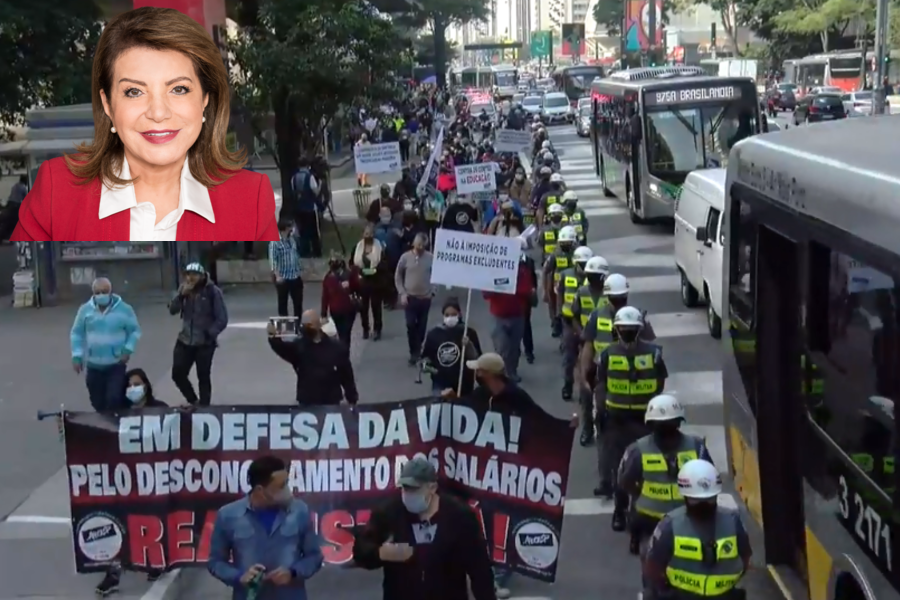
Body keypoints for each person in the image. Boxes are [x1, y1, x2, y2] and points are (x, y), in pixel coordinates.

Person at [10, 7, 277, 242]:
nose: (158, 113)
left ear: (205, 99)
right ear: (107, 105)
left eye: (179, 89)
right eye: (134, 92)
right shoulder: (56, 190)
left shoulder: (250, 198)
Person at [352, 457, 497, 600]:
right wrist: (380, 553)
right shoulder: (389, 514)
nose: (408, 494)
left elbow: (480, 570)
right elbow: (361, 550)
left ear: (432, 488)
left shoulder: (459, 516)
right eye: (405, 488)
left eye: (414, 489)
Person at [208, 455, 324, 600]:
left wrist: (293, 572)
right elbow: (216, 562)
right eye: (281, 486)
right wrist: (239, 577)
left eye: (287, 483)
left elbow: (315, 557)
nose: (288, 490)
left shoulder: (300, 511)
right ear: (260, 490)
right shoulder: (228, 515)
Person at [94, 366, 165, 596]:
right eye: (129, 385)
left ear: (146, 386)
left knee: (150, 520)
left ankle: (155, 561)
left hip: (154, 477)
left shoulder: (161, 410)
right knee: (120, 523)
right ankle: (113, 573)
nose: (133, 389)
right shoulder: (118, 414)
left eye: (137, 384)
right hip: (126, 478)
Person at [642, 460, 751, 600]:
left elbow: (653, 566)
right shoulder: (733, 521)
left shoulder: (669, 525)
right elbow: (745, 559)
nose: (703, 504)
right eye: (697, 500)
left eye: (709, 499)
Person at [619, 395, 713, 553]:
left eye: (669, 424)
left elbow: (710, 479)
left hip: (686, 519)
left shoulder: (696, 446)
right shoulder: (638, 450)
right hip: (650, 521)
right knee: (651, 563)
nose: (666, 430)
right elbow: (625, 482)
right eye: (662, 425)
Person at [593, 306, 667, 501]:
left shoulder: (654, 354)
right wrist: (599, 411)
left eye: (631, 328)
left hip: (645, 420)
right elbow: (600, 386)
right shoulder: (607, 355)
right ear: (616, 329)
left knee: (645, 465)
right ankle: (620, 507)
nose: (627, 332)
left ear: (639, 329)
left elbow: (660, 383)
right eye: (623, 328)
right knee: (619, 466)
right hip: (616, 420)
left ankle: (642, 506)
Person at [70, 277, 141, 412]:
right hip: (93, 364)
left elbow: (135, 331)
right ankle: (104, 423)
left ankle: (116, 421)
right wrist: (77, 356)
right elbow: (77, 333)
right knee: (97, 401)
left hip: (116, 363)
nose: (101, 295)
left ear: (110, 292)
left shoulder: (124, 309)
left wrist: (128, 349)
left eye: (104, 291)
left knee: (113, 398)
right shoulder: (85, 310)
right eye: (97, 292)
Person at [266, 309, 358, 406]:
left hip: (330, 400)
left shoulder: (336, 348)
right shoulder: (299, 347)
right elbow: (283, 349)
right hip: (307, 400)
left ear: (318, 325)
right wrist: (273, 337)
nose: (305, 328)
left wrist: (352, 397)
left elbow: (346, 374)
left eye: (309, 325)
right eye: (304, 325)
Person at [168, 262, 228, 406]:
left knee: (203, 376)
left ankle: (205, 407)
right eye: (188, 275)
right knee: (178, 374)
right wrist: (181, 296)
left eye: (194, 275)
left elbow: (222, 318)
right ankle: (193, 400)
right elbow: (172, 310)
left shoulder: (212, 292)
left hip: (205, 342)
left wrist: (210, 333)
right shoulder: (183, 290)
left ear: (202, 276)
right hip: (185, 339)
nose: (191, 278)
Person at [483, 248, 535, 382]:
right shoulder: (494, 273)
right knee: (502, 348)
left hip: (517, 316)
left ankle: (512, 371)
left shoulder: (524, 273)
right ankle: (502, 375)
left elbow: (526, 291)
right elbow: (486, 294)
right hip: (498, 317)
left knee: (514, 349)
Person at [421, 298, 482, 396]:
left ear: (459, 314)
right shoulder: (434, 334)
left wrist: (468, 346)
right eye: (447, 315)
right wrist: (429, 368)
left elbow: (477, 359)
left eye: (454, 314)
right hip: (440, 383)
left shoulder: (468, 332)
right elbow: (426, 357)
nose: (450, 317)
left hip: (463, 383)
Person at [558, 246, 594, 401]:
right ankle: (567, 385)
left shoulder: (593, 281)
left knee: (588, 363)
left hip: (590, 329)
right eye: (582, 263)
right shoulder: (565, 275)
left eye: (587, 264)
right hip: (571, 323)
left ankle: (584, 392)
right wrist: (558, 312)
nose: (584, 267)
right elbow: (559, 293)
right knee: (569, 358)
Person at [395, 232, 435, 365]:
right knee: (410, 325)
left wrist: (433, 291)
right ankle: (414, 351)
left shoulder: (430, 258)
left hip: (425, 298)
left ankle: (418, 350)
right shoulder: (405, 257)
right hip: (410, 298)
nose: (420, 248)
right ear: (413, 244)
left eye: (423, 246)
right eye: (418, 245)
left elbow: (436, 275)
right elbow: (398, 275)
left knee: (422, 327)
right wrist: (402, 293)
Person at [542, 225, 577, 338]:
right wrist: (545, 290)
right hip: (557, 287)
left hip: (575, 286)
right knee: (556, 307)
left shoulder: (579, 254)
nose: (565, 245)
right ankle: (556, 323)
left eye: (568, 243)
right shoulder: (555, 255)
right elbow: (546, 271)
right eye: (563, 243)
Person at [353, 223, 386, 340]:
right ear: (363, 234)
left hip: (376, 281)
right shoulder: (358, 247)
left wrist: (375, 270)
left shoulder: (379, 247)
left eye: (371, 233)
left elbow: (383, 264)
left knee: (376, 307)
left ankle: (377, 329)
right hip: (362, 282)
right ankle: (365, 329)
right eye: (366, 233)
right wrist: (360, 272)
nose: (369, 235)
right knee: (363, 308)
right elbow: (352, 264)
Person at [321, 254, 361, 349]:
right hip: (336, 311)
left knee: (346, 333)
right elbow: (325, 296)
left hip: (349, 309)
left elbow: (358, 288)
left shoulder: (349, 274)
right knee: (341, 332)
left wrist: (350, 285)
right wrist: (323, 314)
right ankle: (343, 352)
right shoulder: (328, 277)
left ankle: (344, 352)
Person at [269, 220, 304, 317]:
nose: (292, 230)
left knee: (298, 304)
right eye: (290, 228)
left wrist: (300, 270)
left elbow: (295, 255)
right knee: (283, 304)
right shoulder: (275, 243)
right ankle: (285, 326)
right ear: (285, 229)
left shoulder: (292, 240)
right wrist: (277, 275)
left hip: (295, 276)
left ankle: (297, 326)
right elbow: (273, 261)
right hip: (283, 278)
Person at [291, 157, 324, 258]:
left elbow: (294, 192)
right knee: (314, 230)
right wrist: (321, 185)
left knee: (302, 230)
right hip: (310, 207)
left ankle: (304, 251)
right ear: (307, 166)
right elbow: (316, 192)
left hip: (299, 208)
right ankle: (316, 251)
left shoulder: (294, 178)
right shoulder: (310, 177)